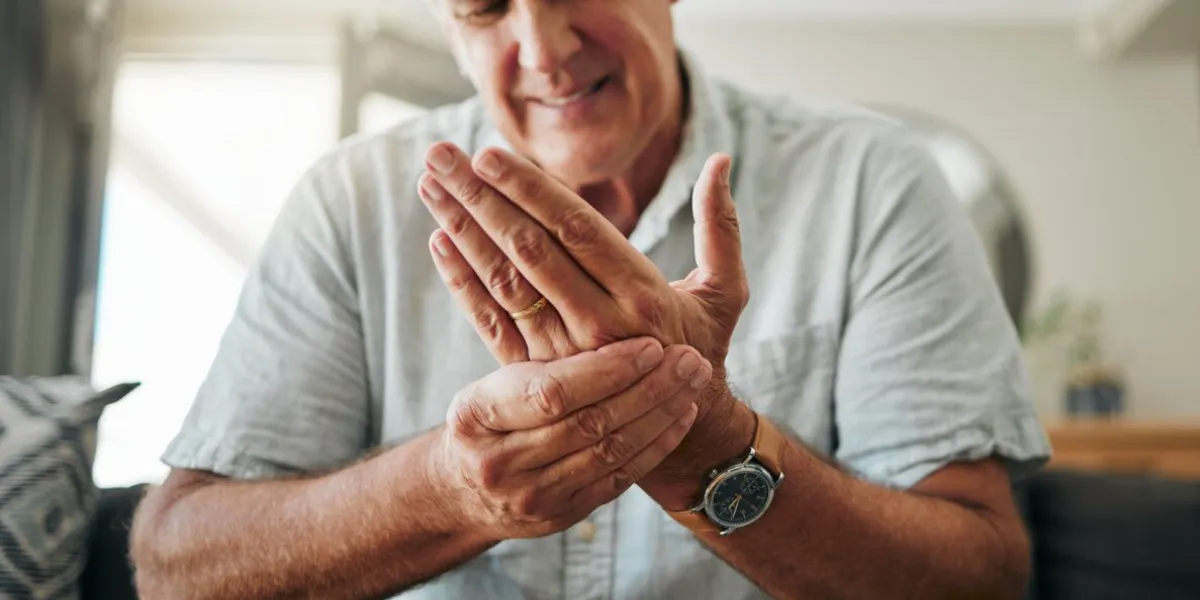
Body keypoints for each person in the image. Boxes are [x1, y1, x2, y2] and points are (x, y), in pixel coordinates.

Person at [129, 0, 1052, 598]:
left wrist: (709, 447)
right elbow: (176, 568)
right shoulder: (352, 202)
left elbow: (982, 576)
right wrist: (451, 491)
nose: (546, 50)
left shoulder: (870, 182)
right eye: (487, 6)